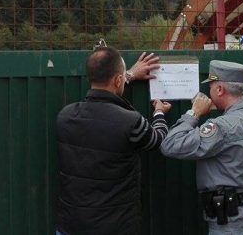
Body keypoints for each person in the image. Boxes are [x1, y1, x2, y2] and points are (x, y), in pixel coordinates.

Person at [56, 48, 171, 235]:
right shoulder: (131, 122)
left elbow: (106, 92)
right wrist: (159, 113)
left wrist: (129, 75)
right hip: (114, 227)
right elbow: (159, 140)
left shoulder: (65, 117)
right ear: (118, 80)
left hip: (70, 226)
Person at [160, 60, 243, 235]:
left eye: (211, 86)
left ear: (220, 90)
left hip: (229, 223)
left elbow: (170, 145)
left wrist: (194, 113)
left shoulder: (221, 127)